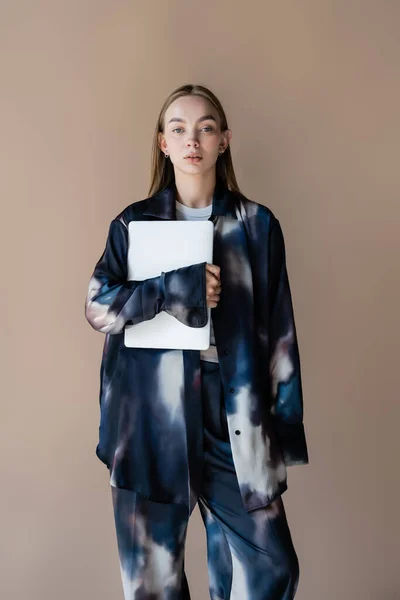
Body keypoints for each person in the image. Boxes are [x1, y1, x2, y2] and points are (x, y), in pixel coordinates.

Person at [85, 83, 309, 600]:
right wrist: (174, 288)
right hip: (150, 419)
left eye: (206, 127)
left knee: (273, 568)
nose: (193, 140)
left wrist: (284, 432)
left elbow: (280, 335)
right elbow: (99, 308)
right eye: (179, 129)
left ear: (224, 140)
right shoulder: (133, 224)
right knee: (153, 585)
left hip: (232, 412)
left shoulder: (257, 226)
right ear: (163, 143)